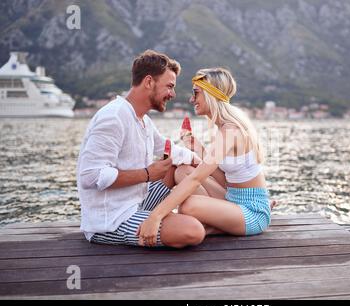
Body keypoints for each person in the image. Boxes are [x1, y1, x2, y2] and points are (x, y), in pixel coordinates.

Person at [77, 50, 205, 249]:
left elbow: (168, 148)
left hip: (137, 201)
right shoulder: (114, 118)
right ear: (148, 82)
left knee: (175, 166)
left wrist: (202, 163)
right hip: (111, 220)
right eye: (169, 86)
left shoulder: (142, 118)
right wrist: (147, 174)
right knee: (192, 231)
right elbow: (90, 176)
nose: (173, 94)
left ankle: (227, 207)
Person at [136, 67, 271, 247]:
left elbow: (197, 178)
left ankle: (213, 227)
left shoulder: (230, 130)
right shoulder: (224, 127)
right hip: (233, 198)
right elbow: (224, 179)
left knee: (188, 206)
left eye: (196, 93)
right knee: (182, 171)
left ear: (209, 94)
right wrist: (195, 147)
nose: (192, 99)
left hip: (252, 213)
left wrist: (156, 216)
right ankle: (212, 226)